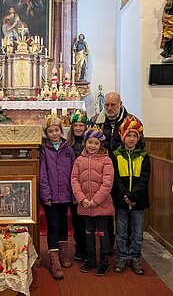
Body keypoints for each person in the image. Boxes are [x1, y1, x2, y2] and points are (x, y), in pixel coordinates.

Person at [89, 92, 144, 254]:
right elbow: (90, 145)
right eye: (106, 105)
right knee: (106, 210)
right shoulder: (96, 121)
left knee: (124, 209)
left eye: (113, 105)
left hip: (125, 174)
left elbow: (141, 147)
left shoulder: (132, 122)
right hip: (102, 173)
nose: (109, 108)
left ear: (121, 103)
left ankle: (127, 247)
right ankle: (110, 244)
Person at [71, 128, 114, 276]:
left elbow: (107, 183)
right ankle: (90, 259)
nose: (92, 146)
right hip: (85, 204)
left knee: (102, 232)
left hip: (101, 203)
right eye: (90, 142)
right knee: (88, 232)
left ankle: (104, 260)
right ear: (85, 143)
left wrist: (95, 200)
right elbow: (74, 179)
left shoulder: (106, 160)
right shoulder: (79, 160)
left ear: (100, 144)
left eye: (96, 143)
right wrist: (81, 198)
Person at [111, 116, 150, 275]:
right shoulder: (115, 154)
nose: (131, 139)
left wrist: (133, 196)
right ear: (123, 137)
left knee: (137, 232)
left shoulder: (144, 155)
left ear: (138, 137)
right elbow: (115, 178)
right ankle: (121, 256)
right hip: (121, 200)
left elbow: (145, 178)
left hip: (138, 200)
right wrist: (124, 196)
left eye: (134, 136)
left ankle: (135, 257)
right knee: (120, 231)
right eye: (128, 135)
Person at [40, 113, 75, 279]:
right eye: (50, 131)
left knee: (63, 224)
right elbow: (43, 174)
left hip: (66, 194)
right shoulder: (44, 150)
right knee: (53, 225)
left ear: (61, 131)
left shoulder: (68, 149)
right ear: (46, 133)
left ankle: (63, 253)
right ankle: (54, 261)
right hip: (51, 196)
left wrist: (74, 191)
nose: (54, 133)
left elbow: (74, 172)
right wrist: (45, 193)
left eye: (56, 130)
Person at [67, 110, 88, 261]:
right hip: (74, 186)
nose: (78, 128)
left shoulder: (91, 143)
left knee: (87, 220)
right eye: (76, 125)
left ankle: (89, 248)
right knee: (76, 219)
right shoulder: (69, 145)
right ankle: (79, 247)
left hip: (88, 185)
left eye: (81, 125)